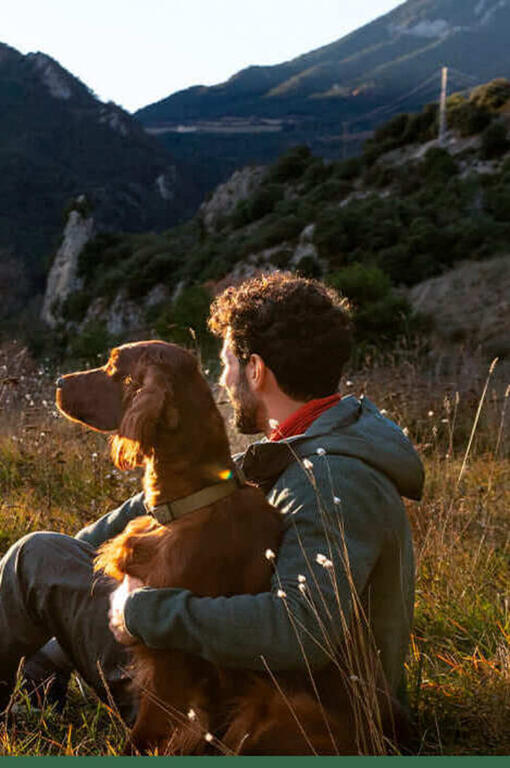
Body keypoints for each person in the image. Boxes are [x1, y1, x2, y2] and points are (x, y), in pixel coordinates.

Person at [0, 273, 423, 734]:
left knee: (34, 556)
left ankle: (36, 690)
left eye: (226, 364)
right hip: (231, 686)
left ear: (256, 370)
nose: (222, 381)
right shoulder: (287, 453)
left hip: (266, 722)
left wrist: (140, 613)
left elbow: (299, 632)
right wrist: (69, 581)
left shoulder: (335, 477)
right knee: (47, 565)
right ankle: (36, 694)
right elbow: (139, 515)